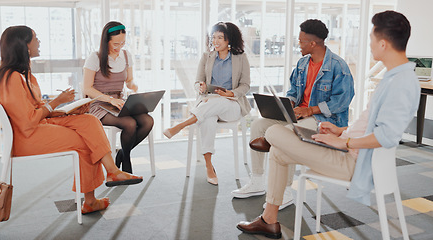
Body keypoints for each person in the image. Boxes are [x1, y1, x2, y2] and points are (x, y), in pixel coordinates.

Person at [236, 10, 420, 239]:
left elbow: (387, 136)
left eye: (371, 38)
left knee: (274, 132)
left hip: (351, 161)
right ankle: (269, 221)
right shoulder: (393, 78)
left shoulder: (400, 83)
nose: (369, 44)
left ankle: (270, 148)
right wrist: (341, 131)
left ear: (383, 43)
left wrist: (344, 142)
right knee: (278, 154)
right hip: (347, 147)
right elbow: (373, 126)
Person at [0, 26, 144, 215]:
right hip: (26, 137)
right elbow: (27, 122)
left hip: (38, 126)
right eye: (35, 38)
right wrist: (56, 103)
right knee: (87, 143)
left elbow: (35, 110)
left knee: (88, 120)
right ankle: (91, 200)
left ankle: (112, 171)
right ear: (24, 46)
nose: (39, 42)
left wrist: (66, 111)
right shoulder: (11, 78)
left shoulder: (21, 74)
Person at [232, 19, 355, 210]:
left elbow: (342, 101)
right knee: (258, 124)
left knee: (286, 134)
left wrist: (311, 110)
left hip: (323, 120)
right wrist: (288, 102)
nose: (298, 45)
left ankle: (286, 191)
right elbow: (293, 92)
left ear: (313, 44)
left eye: (301, 41)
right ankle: (256, 181)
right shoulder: (302, 63)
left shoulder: (338, 66)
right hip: (299, 115)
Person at [163, 22, 251, 185]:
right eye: (213, 37)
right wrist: (201, 87)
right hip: (209, 101)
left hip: (232, 104)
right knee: (208, 118)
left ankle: (181, 125)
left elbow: (245, 85)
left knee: (216, 105)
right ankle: (209, 167)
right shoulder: (207, 57)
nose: (215, 41)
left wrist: (231, 93)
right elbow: (197, 82)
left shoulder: (240, 57)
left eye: (220, 38)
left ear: (229, 39)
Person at [83, 21, 153, 174]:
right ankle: (126, 160)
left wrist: (133, 86)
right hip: (98, 104)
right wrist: (110, 100)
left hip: (119, 102)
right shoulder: (95, 58)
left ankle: (122, 153)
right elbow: (87, 88)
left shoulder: (126, 56)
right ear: (106, 40)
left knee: (148, 121)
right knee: (129, 123)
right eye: (116, 43)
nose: (119, 46)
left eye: (123, 42)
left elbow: (129, 81)